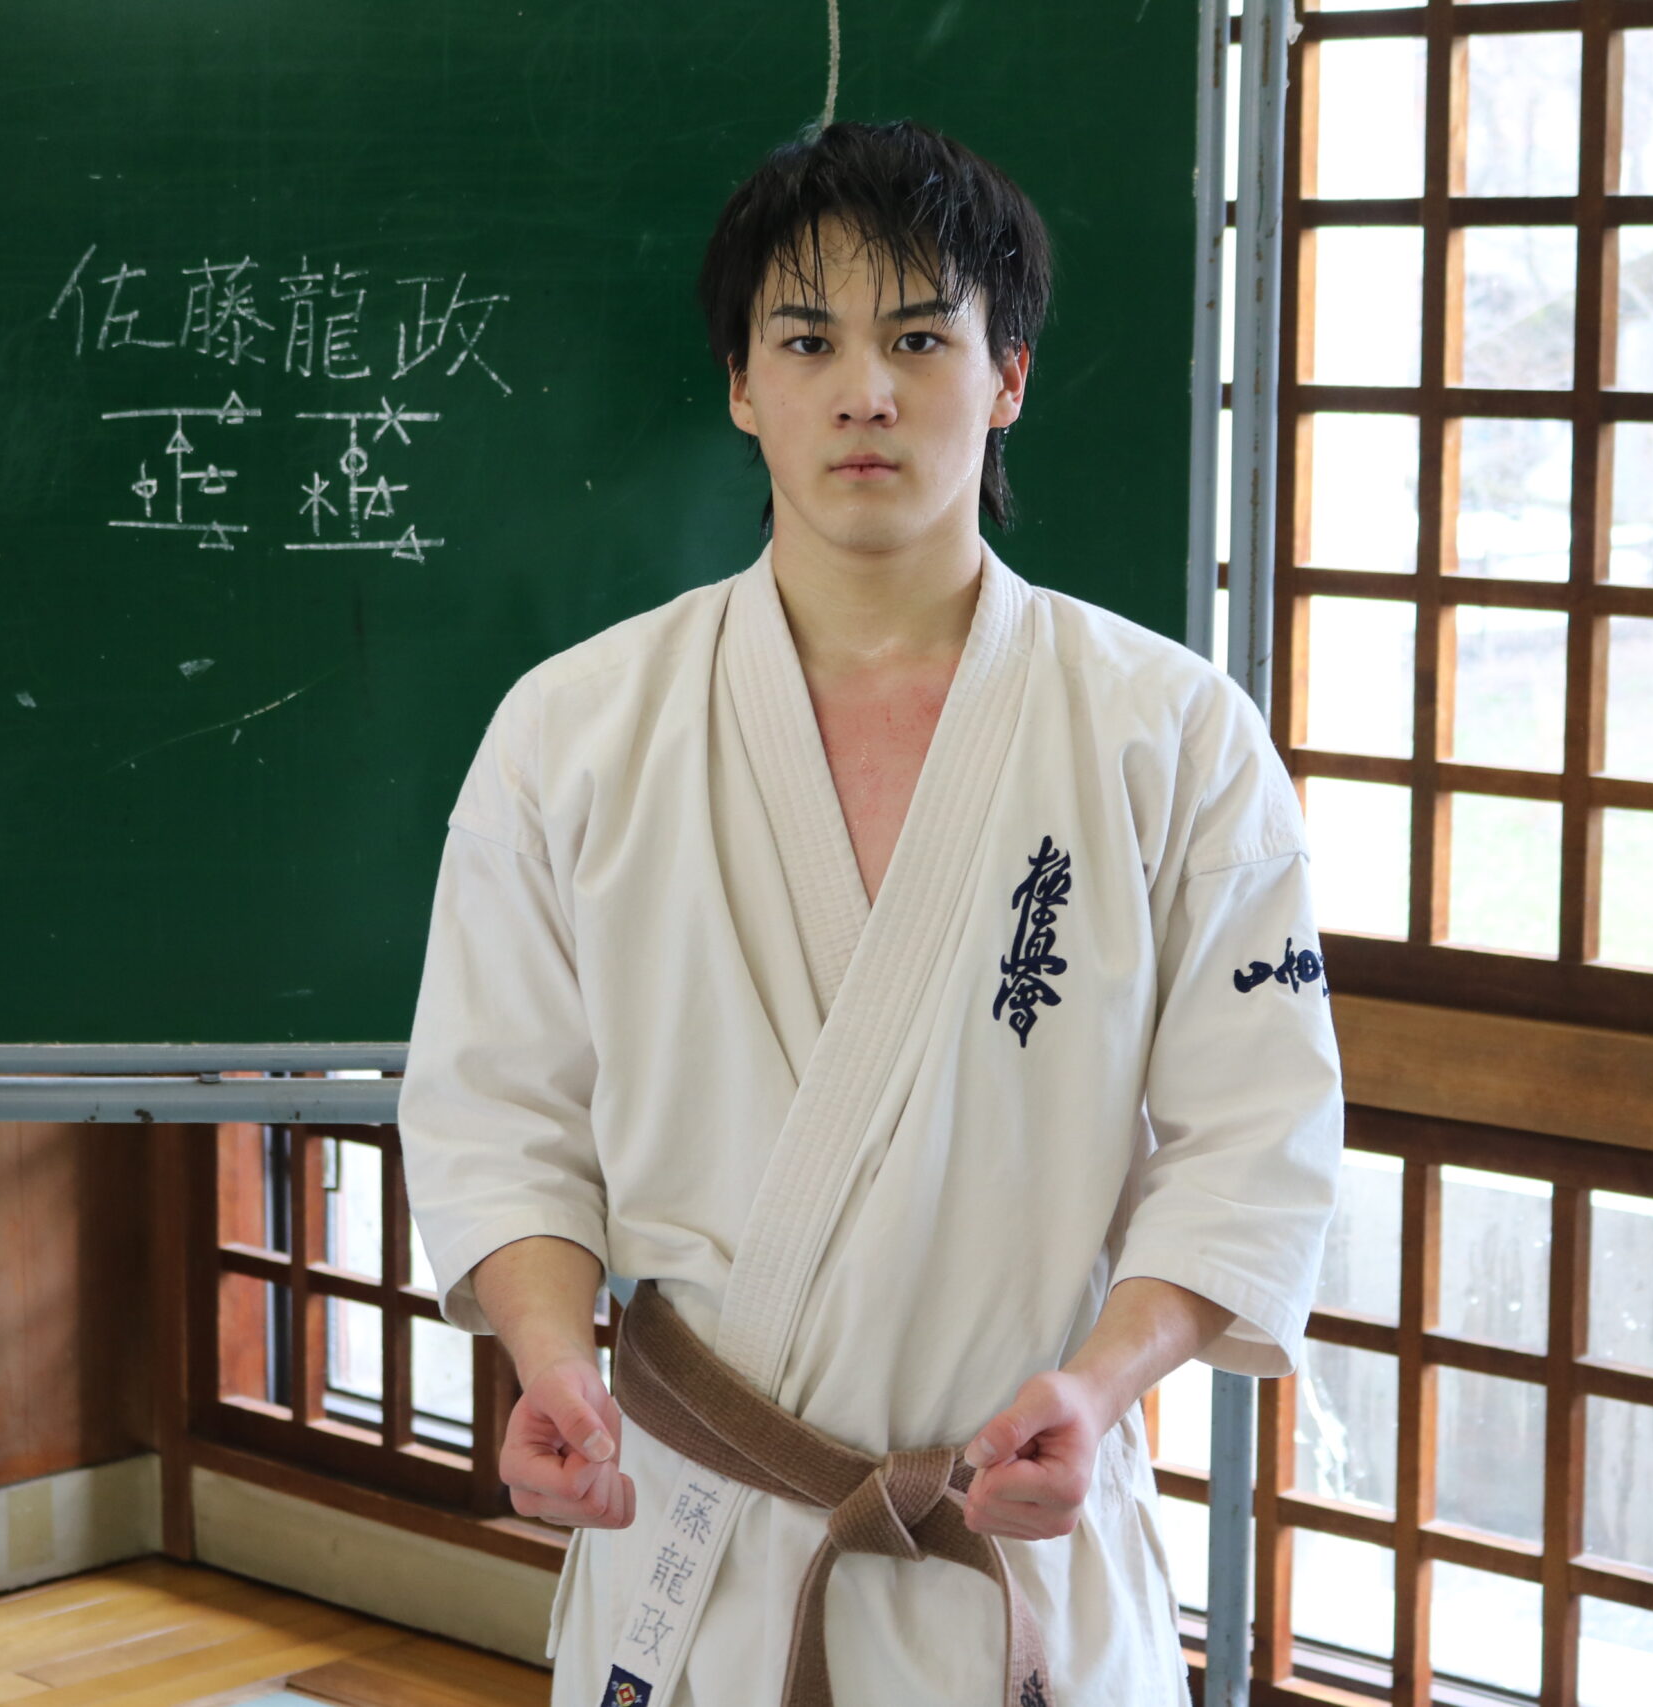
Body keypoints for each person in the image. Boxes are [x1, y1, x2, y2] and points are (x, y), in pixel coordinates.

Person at [399, 119, 1343, 1707]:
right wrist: (554, 1360)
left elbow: (1258, 1136)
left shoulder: (1174, 735)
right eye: (807, 341)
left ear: (1008, 376)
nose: (865, 392)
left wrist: (1098, 1391)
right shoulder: (573, 732)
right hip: (700, 1548)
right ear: (739, 385)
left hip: (1019, 1536)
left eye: (920, 339)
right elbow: (499, 1112)